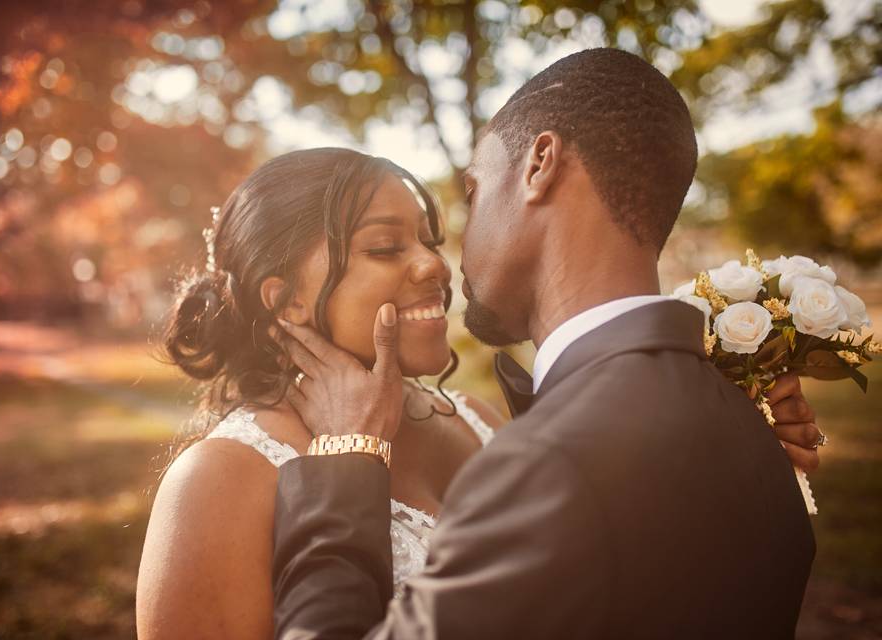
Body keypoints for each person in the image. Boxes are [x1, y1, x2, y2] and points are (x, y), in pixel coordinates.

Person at [135, 144, 818, 638]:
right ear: (282, 301)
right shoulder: (222, 478)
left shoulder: (481, 417)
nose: (435, 265)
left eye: (430, 240)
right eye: (384, 248)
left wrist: (725, 429)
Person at [270, 49, 819, 639]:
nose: (441, 258)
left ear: (540, 165)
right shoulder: (757, 434)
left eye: (474, 193)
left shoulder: (549, 467)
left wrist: (347, 466)